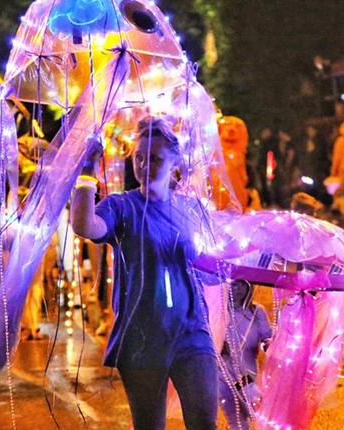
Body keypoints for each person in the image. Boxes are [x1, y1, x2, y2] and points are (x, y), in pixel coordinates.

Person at [71, 117, 218, 429]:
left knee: (205, 422)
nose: (144, 165)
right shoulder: (122, 207)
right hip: (142, 337)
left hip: (192, 332)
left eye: (154, 158)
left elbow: (211, 267)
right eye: (139, 157)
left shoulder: (191, 209)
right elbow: (85, 226)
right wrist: (86, 174)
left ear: (175, 161)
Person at [218, 280, 272, 430]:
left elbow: (265, 337)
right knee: (235, 419)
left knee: (261, 414)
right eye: (235, 284)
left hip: (248, 374)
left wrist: (269, 345)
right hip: (223, 375)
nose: (239, 289)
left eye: (243, 284)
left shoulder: (256, 311)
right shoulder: (219, 311)